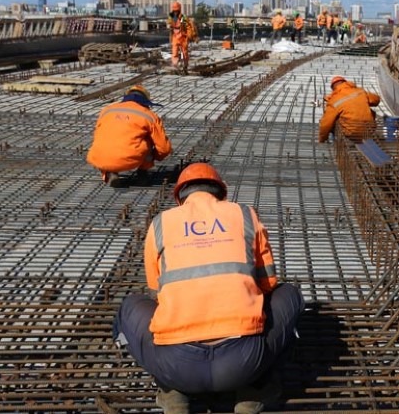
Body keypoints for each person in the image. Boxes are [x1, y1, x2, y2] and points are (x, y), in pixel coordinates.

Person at [113, 163, 305, 414]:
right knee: (290, 295)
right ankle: (253, 391)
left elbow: (156, 292)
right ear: (219, 192)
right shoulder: (245, 214)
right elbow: (268, 283)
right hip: (244, 363)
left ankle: (173, 393)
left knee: (129, 307)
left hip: (175, 366)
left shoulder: (161, 223)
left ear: (180, 196)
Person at [86, 85, 172, 187]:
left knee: (106, 137)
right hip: (131, 158)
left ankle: (109, 174)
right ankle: (142, 174)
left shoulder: (107, 110)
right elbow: (164, 148)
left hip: (98, 157)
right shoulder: (149, 115)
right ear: (145, 101)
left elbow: (97, 134)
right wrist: (156, 156)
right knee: (148, 139)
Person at [318, 75, 381, 143]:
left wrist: (322, 139)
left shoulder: (333, 100)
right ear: (346, 83)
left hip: (352, 133)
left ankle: (339, 142)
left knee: (333, 119)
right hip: (369, 129)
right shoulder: (360, 91)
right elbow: (376, 100)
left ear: (333, 88)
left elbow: (326, 123)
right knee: (367, 110)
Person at [167, 1, 190, 72]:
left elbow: (187, 26)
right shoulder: (171, 16)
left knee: (185, 52)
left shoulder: (183, 17)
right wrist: (169, 25)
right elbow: (169, 24)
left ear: (179, 9)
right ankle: (175, 65)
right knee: (174, 51)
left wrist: (189, 35)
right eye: (174, 10)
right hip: (175, 37)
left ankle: (185, 65)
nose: (175, 12)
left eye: (177, 10)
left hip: (183, 37)